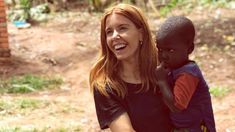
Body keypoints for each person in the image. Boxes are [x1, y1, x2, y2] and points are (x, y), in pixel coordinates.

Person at [89, 3, 172, 132]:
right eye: (109, 32)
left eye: (122, 28)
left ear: (141, 33)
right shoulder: (105, 87)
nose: (115, 36)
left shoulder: (167, 68)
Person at [155, 16, 216, 132]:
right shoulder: (171, 67)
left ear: (189, 49)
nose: (163, 55)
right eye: (160, 50)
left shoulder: (188, 73)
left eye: (170, 50)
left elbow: (176, 106)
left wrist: (161, 81)